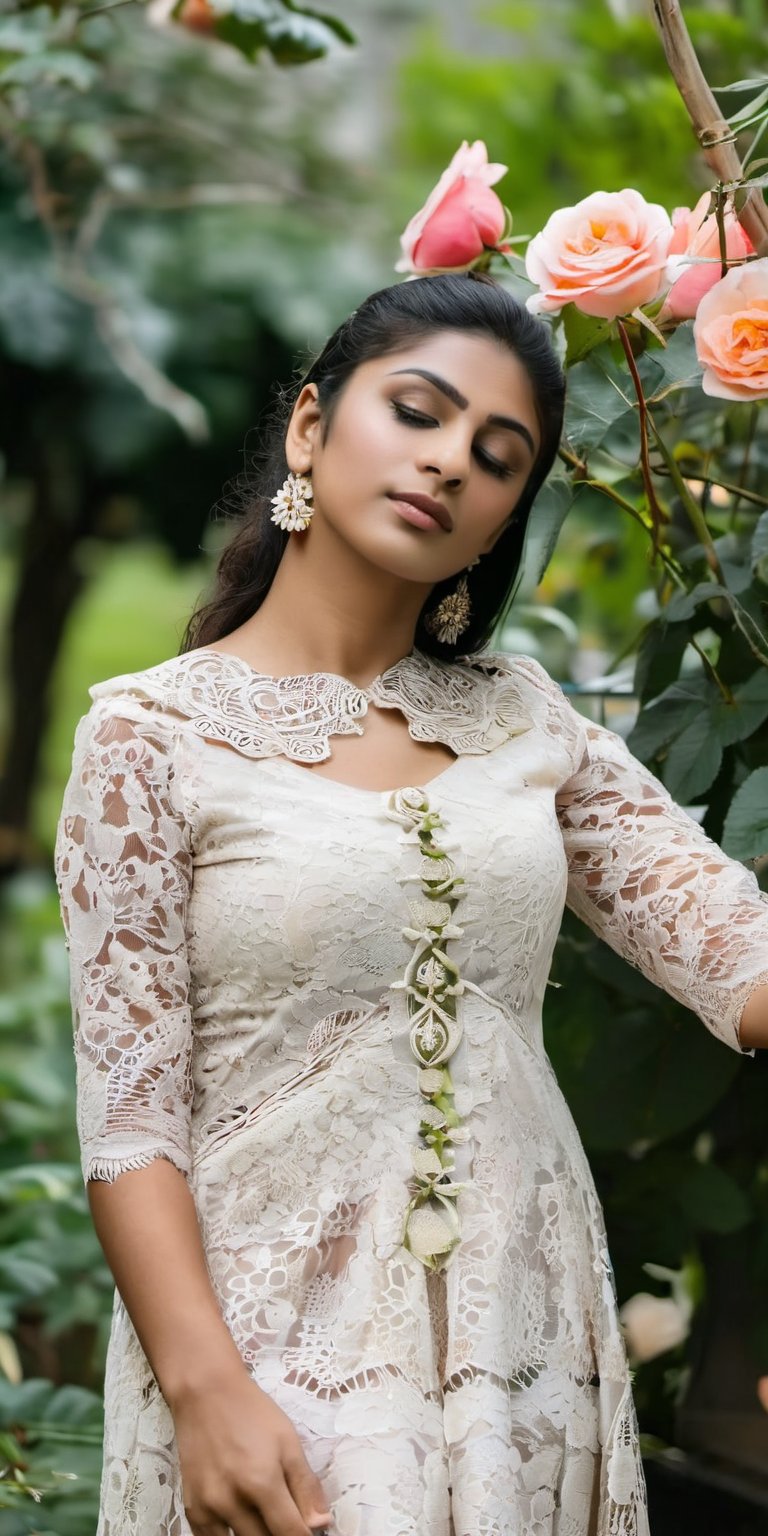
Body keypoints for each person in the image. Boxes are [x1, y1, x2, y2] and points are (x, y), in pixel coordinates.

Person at [54, 271, 768, 1536]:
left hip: (520, 1350)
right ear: (311, 428)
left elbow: (735, 951)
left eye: (498, 458)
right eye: (419, 414)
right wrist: (207, 1391)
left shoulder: (527, 724)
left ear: (503, 521)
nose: (451, 465)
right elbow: (131, 1122)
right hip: (267, 1359)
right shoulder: (150, 739)